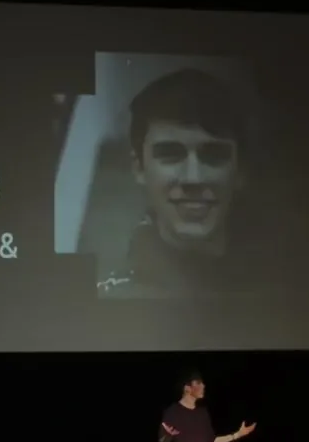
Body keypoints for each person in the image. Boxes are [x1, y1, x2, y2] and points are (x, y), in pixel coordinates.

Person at [98, 68, 252, 299]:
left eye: (214, 155)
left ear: (241, 170)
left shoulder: (288, 296)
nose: (193, 178)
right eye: (170, 154)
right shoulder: (109, 297)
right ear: (139, 167)